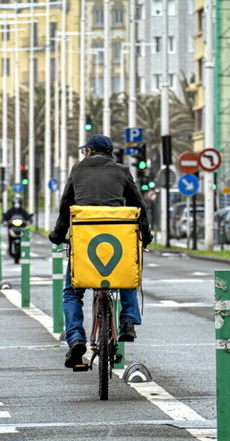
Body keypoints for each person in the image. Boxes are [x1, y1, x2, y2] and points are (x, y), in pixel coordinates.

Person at [49, 134, 153, 368]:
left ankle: (75, 337)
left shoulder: (77, 170)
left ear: (89, 151)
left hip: (85, 244)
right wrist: (145, 236)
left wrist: (57, 235)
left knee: (71, 293)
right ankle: (127, 320)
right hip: (118, 242)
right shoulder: (122, 171)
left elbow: (66, 208)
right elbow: (139, 206)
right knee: (127, 275)